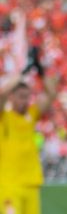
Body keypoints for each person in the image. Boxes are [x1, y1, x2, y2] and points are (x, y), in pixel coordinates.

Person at [0, 69, 57, 213]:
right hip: (9, 184)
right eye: (21, 97)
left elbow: (51, 95)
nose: (24, 101)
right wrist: (18, 76)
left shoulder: (31, 115)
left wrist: (41, 70)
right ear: (11, 97)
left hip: (31, 183)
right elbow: (1, 95)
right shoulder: (4, 117)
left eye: (27, 97)